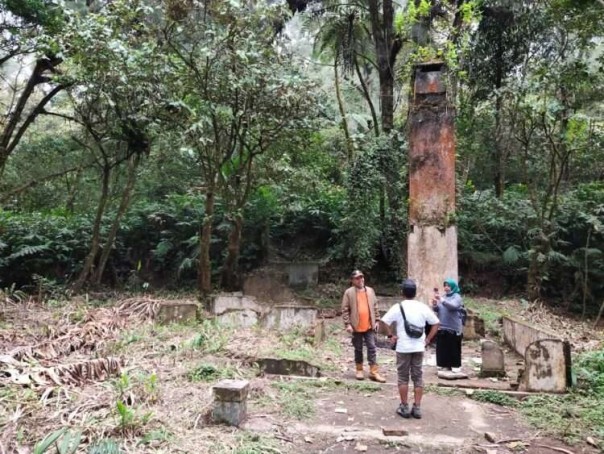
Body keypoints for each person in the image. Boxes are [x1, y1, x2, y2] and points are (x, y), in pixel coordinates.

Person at [381, 279, 439, 419]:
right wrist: (428, 339)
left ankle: (404, 406)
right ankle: (417, 407)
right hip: (419, 347)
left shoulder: (398, 307)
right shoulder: (422, 307)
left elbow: (383, 321)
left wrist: (391, 336)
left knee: (403, 377)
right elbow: (436, 323)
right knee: (418, 377)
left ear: (402, 292)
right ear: (415, 292)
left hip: (403, 347)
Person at [341, 270, 386, 383]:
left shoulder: (370, 291)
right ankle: (359, 369)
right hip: (356, 326)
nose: (360, 279)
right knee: (358, 348)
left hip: (369, 325)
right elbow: (345, 309)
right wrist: (348, 324)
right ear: (352, 280)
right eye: (357, 278)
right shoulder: (349, 292)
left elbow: (375, 306)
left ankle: (373, 371)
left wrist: (376, 320)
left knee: (372, 347)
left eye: (361, 277)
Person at [431, 278, 463, 372]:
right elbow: (439, 309)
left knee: (453, 347)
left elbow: (452, 306)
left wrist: (441, 299)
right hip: (442, 325)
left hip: (453, 327)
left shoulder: (457, 297)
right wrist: (435, 305)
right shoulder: (444, 297)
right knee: (443, 347)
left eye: (448, 285)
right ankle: (443, 364)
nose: (446, 287)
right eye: (445, 285)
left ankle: (455, 366)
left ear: (453, 286)